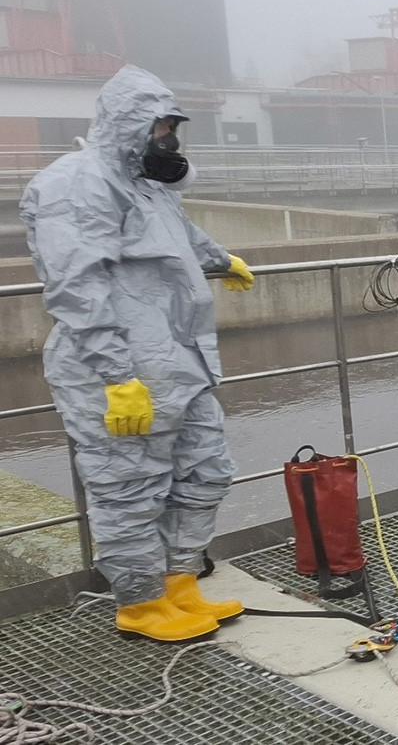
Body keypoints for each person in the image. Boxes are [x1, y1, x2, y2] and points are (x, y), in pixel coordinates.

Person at [20, 64, 256, 643]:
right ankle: (141, 604)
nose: (168, 139)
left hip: (181, 362)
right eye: (160, 127)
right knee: (128, 488)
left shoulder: (147, 186)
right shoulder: (75, 183)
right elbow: (76, 286)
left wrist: (222, 261)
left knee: (205, 471)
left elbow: (179, 238)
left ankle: (180, 584)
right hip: (120, 369)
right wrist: (116, 378)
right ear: (130, 125)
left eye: (172, 126)